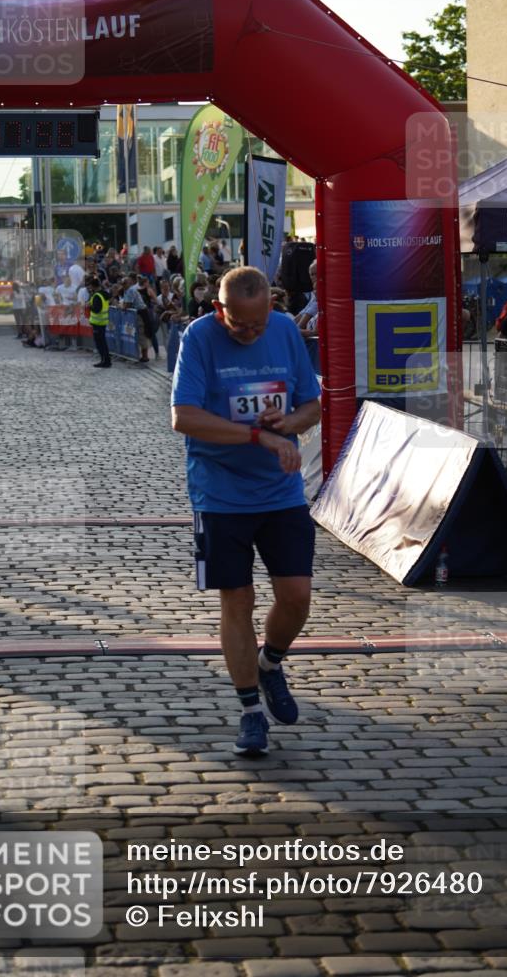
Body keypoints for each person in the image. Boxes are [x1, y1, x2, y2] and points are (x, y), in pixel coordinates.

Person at [171, 266, 321, 757]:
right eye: (239, 324)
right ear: (220, 309)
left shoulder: (285, 330)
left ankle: (270, 663)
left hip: (280, 492)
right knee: (238, 600)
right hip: (218, 493)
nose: (251, 333)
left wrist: (289, 422)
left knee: (297, 597)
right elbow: (184, 417)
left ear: (271, 307)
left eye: (258, 323)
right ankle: (250, 712)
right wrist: (260, 435)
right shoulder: (199, 337)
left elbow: (312, 405)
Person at [87, 276, 112, 368]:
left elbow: (96, 309)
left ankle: (105, 361)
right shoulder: (104, 293)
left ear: (93, 286)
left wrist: (89, 306)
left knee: (100, 343)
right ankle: (106, 360)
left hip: (98, 322)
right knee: (102, 342)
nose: (89, 288)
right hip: (103, 321)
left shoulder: (97, 296)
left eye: (90, 285)